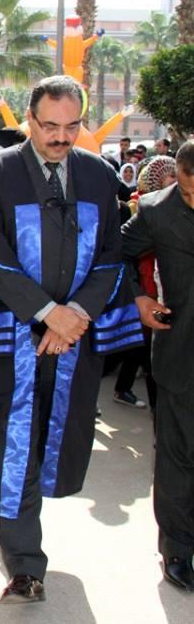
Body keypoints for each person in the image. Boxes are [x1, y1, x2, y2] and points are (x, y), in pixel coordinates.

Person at [0, 76, 142, 603]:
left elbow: (110, 256)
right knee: (13, 445)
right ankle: (24, 563)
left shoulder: (97, 174)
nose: (61, 137)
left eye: (71, 126)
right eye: (50, 126)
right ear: (29, 121)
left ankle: (23, 542)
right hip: (13, 335)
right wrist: (48, 315)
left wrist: (74, 316)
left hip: (75, 337)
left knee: (53, 441)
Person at [121, 141, 194, 592]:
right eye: (187, 190)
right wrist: (139, 297)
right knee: (177, 457)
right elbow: (115, 252)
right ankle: (178, 551)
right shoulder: (156, 211)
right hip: (181, 352)